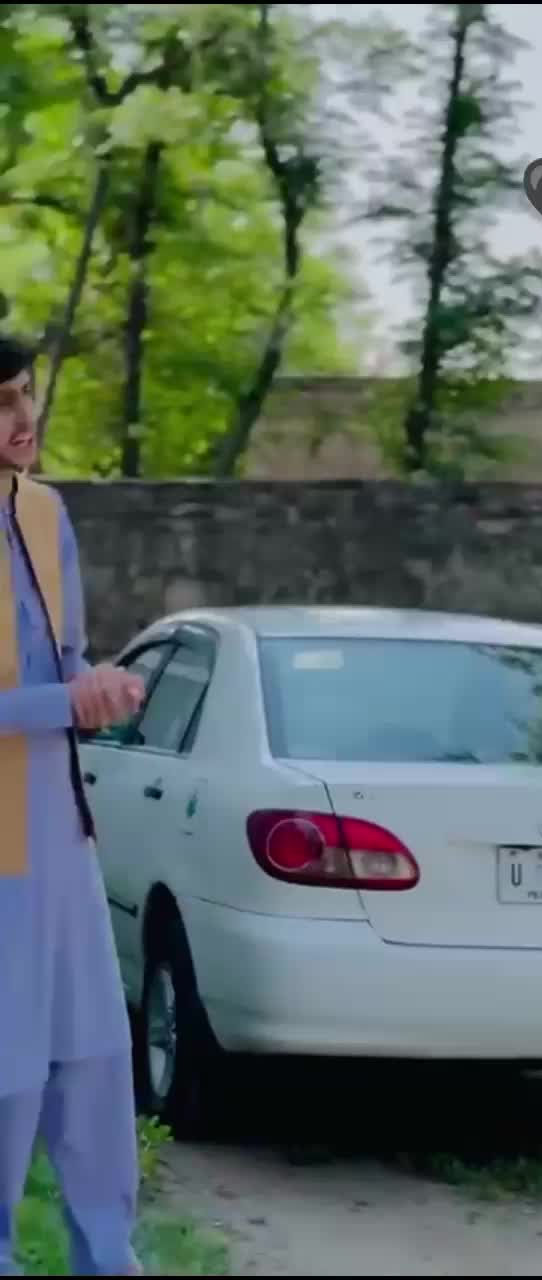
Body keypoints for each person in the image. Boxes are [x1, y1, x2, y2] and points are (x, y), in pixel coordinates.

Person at [0, 336, 146, 1276]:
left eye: (26, 393)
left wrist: (94, 685)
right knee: (8, 1072)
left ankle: (109, 1261)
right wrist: (67, 701)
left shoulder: (47, 514)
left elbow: (67, 655)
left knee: (93, 1058)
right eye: (2, 402)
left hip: (62, 827)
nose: (25, 418)